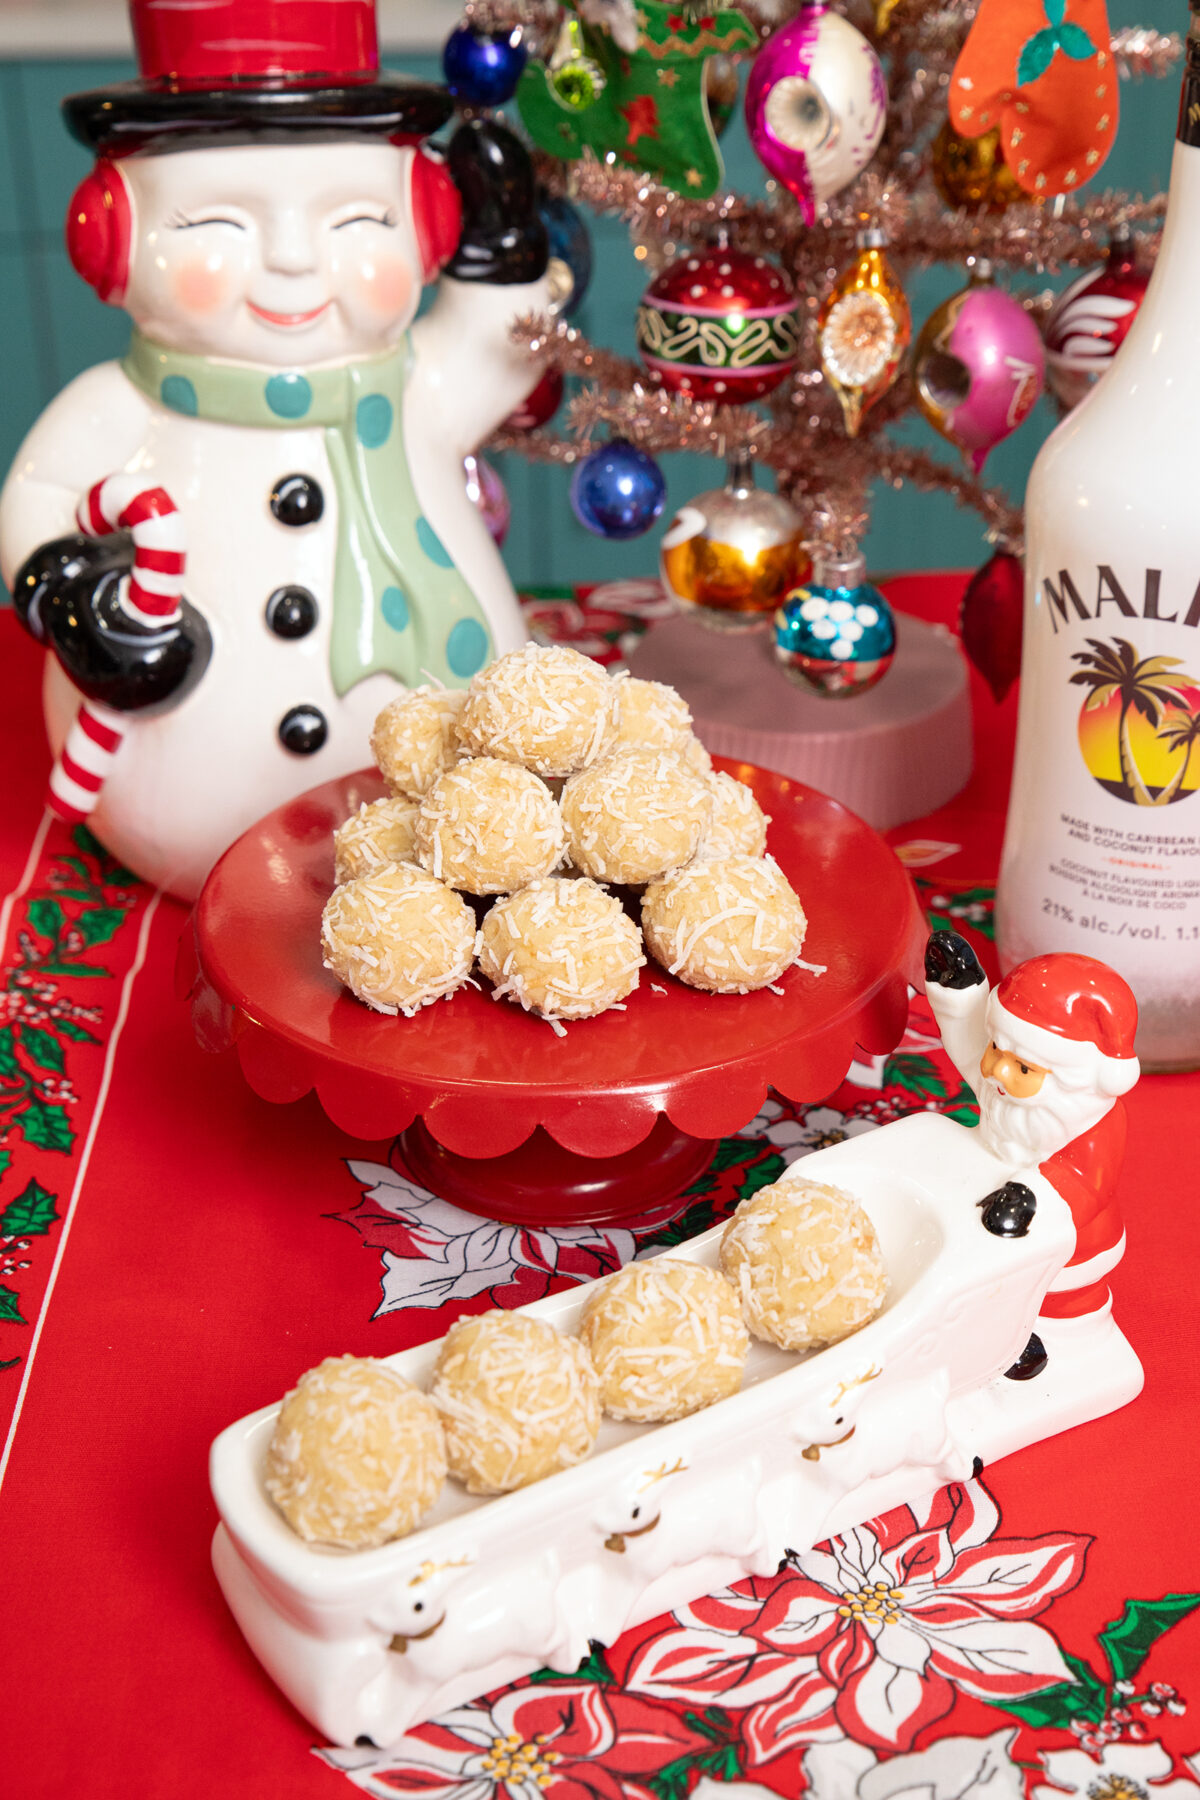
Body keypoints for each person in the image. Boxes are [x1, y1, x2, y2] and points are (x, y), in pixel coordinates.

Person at [0, 0, 550, 899]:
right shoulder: (119, 409)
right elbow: (39, 499)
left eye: (356, 223)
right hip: (181, 828)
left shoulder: (417, 389)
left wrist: (504, 252)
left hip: (447, 817)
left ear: (428, 228)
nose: (294, 259)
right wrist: (78, 598)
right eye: (220, 224)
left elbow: (502, 345)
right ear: (111, 238)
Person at [925, 931, 1139, 1378]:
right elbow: (972, 1052)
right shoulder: (1011, 1088)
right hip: (989, 1198)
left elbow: (1084, 1183)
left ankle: (1065, 1338)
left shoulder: (1091, 1121)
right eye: (996, 1049)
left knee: (1061, 1294)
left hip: (1071, 1241)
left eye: (1022, 1067)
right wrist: (960, 996)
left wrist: (1030, 1196)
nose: (997, 1071)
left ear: (1073, 1077)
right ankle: (1003, 1332)